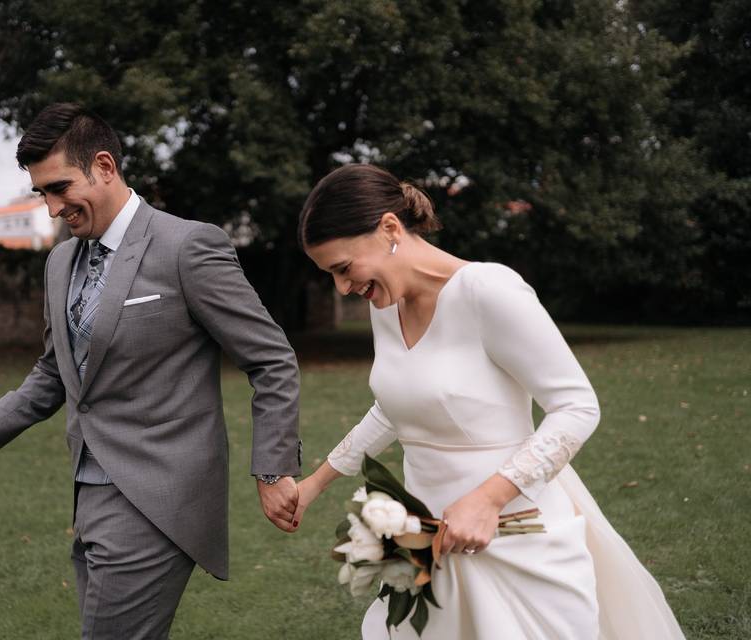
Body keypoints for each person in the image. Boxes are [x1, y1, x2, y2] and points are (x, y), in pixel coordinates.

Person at [0, 103, 302, 639]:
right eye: (42, 193)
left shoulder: (187, 246)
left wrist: (272, 470)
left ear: (105, 166)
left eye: (60, 188)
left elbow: (270, 358)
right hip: (89, 493)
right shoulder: (59, 262)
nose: (52, 208)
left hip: (158, 497)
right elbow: (56, 371)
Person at [292, 164, 684, 639]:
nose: (343, 288)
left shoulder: (489, 291)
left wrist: (486, 500)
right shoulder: (387, 305)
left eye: (343, 268)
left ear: (390, 229)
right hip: (428, 546)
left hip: (516, 538)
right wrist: (314, 483)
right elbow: (395, 408)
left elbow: (577, 407)